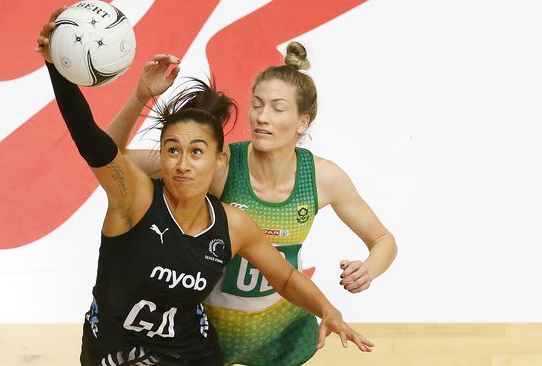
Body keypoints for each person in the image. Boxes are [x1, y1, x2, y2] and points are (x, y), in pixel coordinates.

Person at [36, 8, 373, 366]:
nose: (182, 164)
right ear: (162, 158)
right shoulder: (133, 199)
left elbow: (287, 278)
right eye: (172, 151)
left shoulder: (233, 224)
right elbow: (94, 144)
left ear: (220, 161)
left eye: (196, 152)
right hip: (114, 351)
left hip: (191, 352)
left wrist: (328, 309)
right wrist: (58, 68)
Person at [106, 39, 397, 365]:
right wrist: (140, 97)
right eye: (257, 104)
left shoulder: (322, 178)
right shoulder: (219, 163)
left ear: (303, 121)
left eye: (277, 107)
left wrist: (369, 269)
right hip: (212, 329)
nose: (262, 116)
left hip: (282, 329)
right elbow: (111, 159)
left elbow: (384, 240)